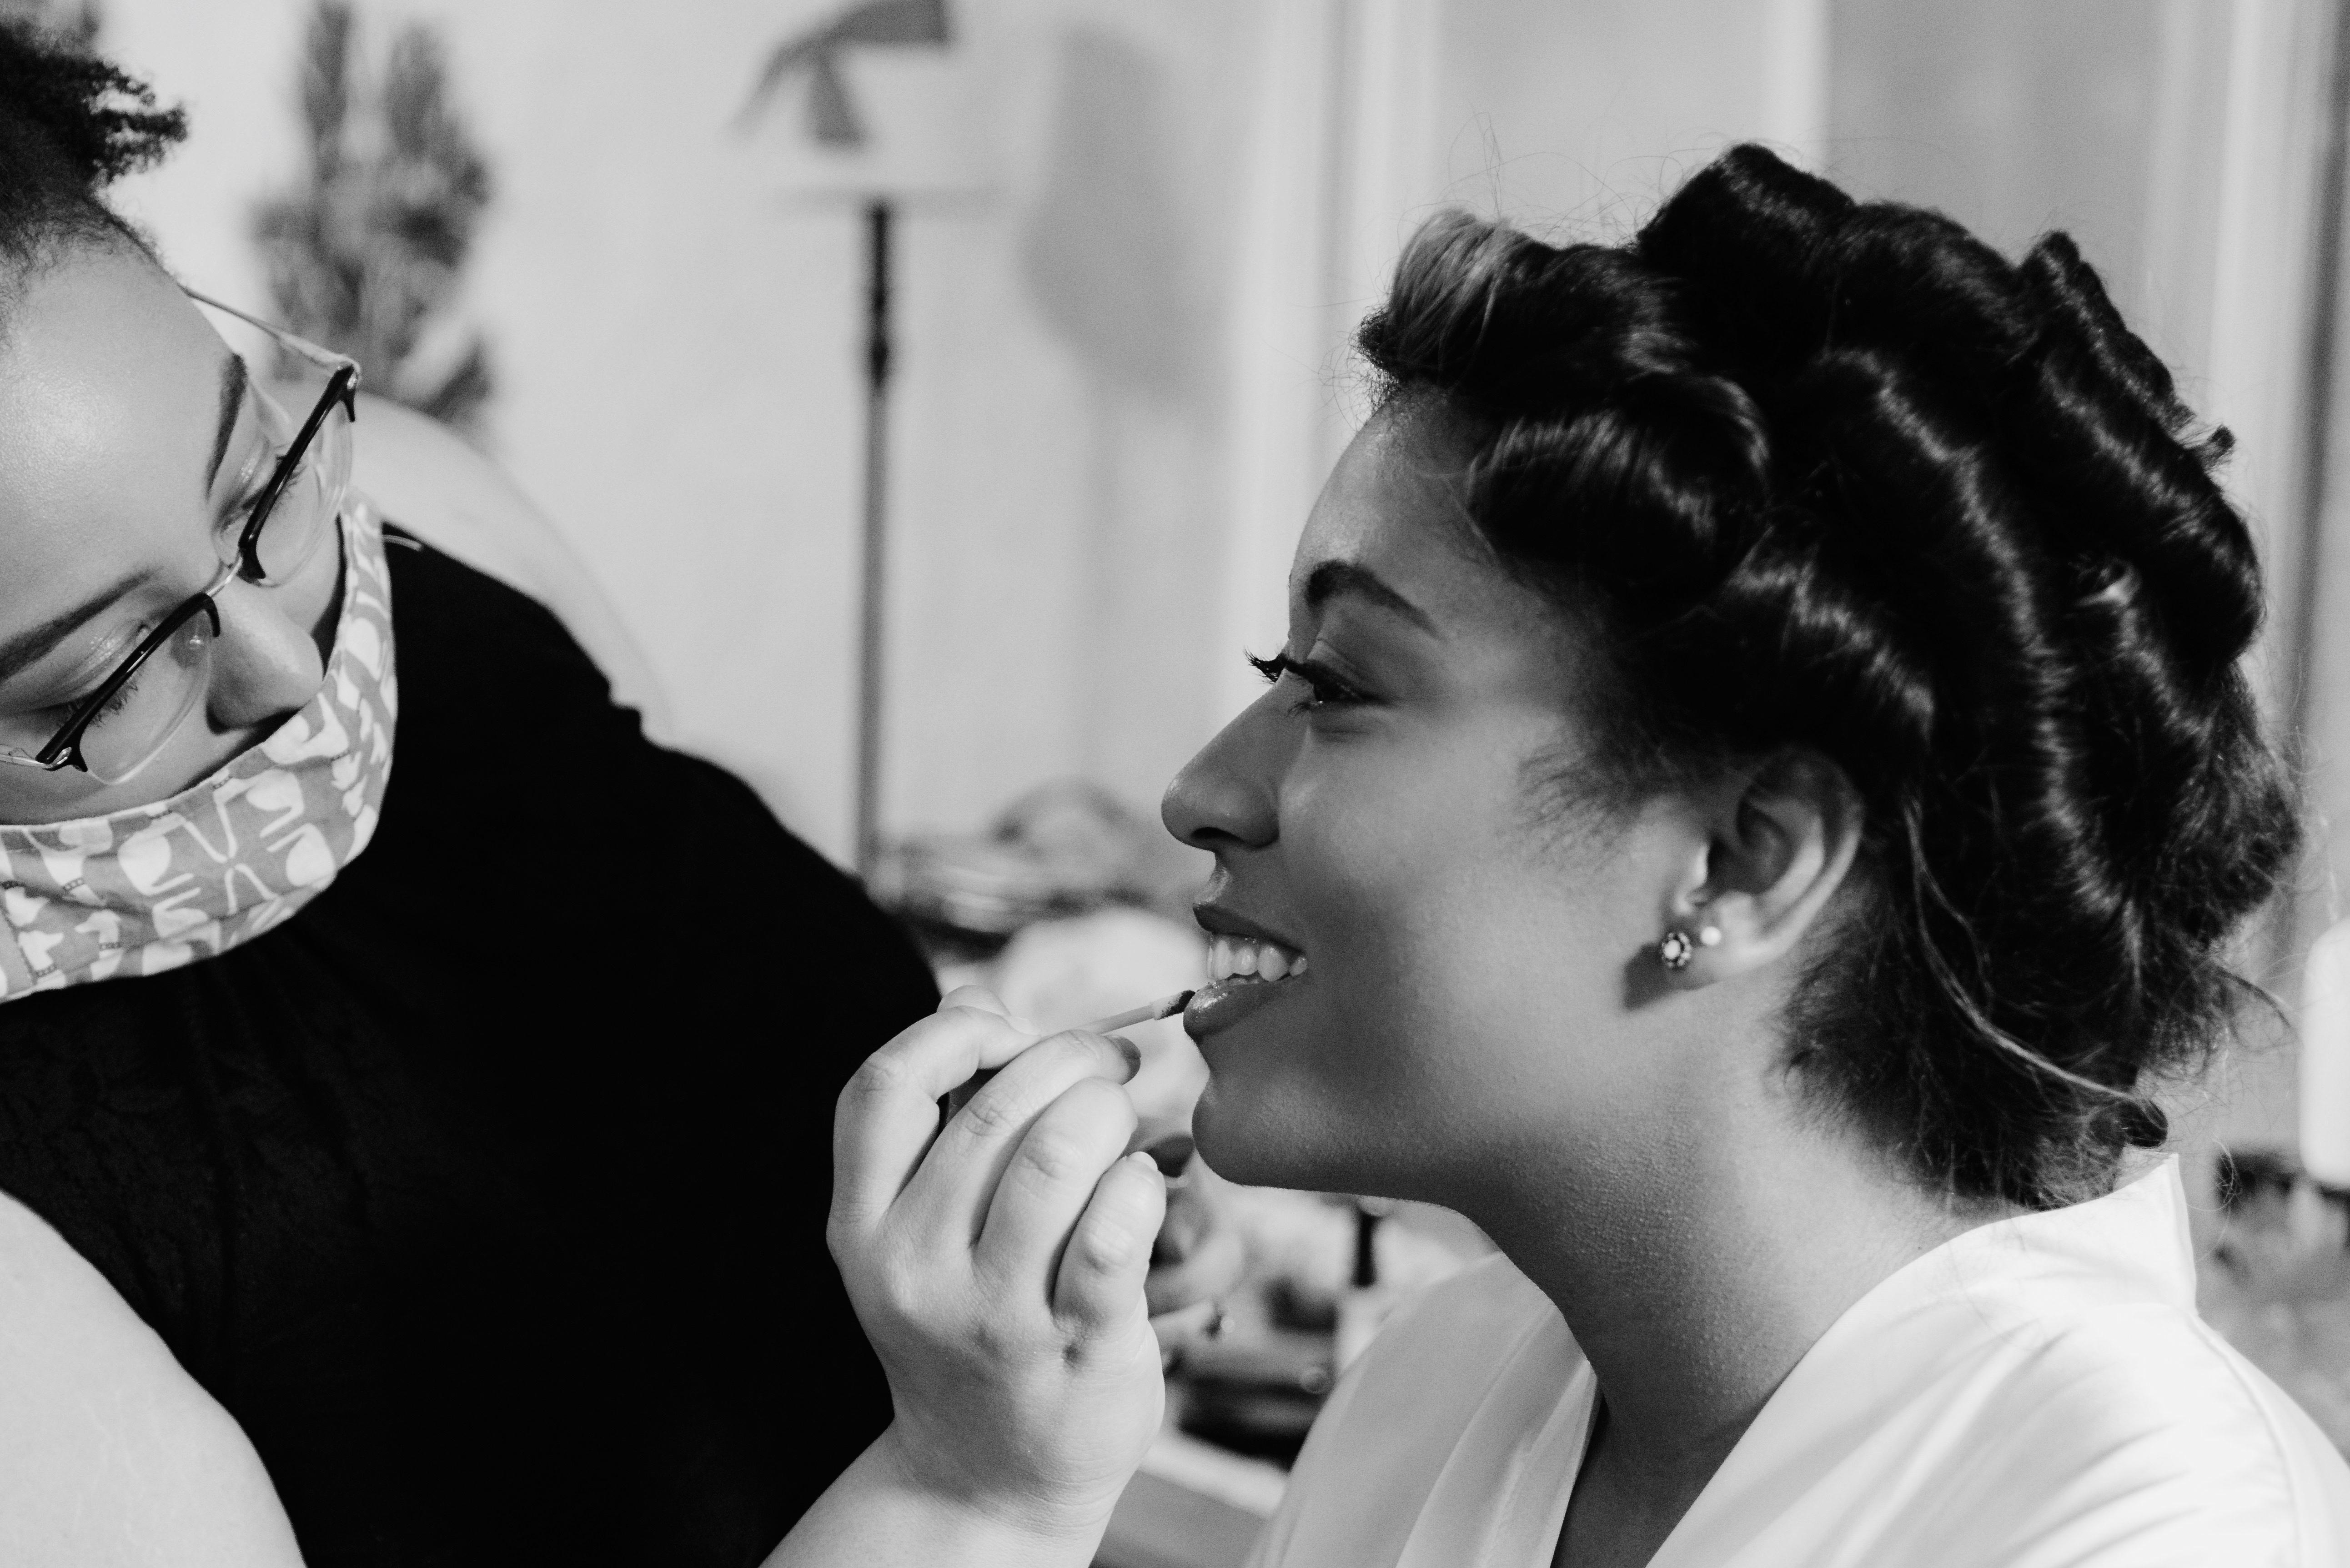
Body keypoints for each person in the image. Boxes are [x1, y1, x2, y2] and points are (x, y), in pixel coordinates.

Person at [776, 146, 2350, 1566]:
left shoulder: (2152, 1525)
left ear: (1744, 862)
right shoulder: (1433, 1390)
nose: (1198, 795)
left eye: (1335, 684)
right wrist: (975, 1486)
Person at [0, 28, 947, 1566]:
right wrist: (977, 1482)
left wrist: (995, 1231)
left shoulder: (419, 514)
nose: (291, 668)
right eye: (103, 682)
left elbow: (749, 961)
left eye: (256, 490)